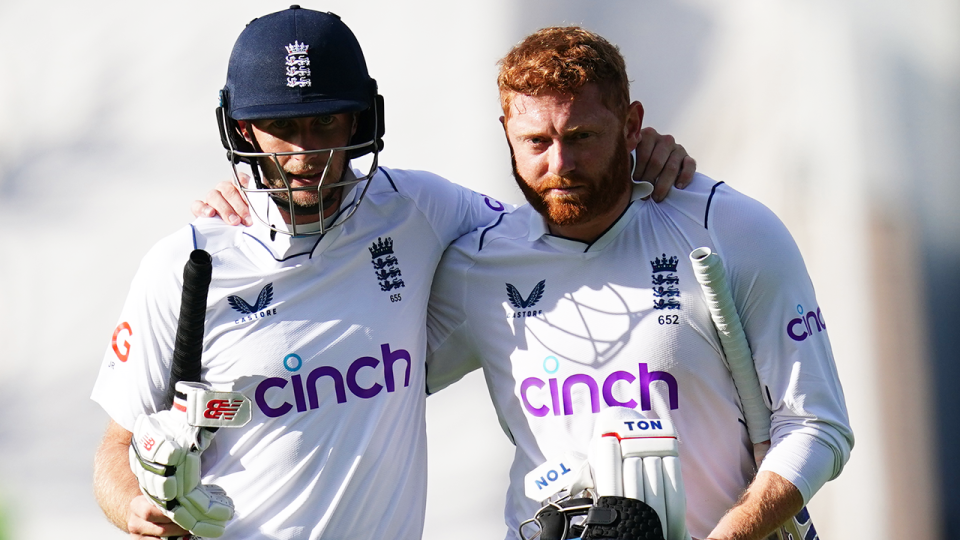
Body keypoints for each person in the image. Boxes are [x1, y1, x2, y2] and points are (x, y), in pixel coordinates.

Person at [91, 7, 694, 540]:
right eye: (283, 128)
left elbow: (551, 231)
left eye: (325, 123)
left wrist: (633, 153)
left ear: (358, 121)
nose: (304, 155)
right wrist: (134, 506)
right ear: (243, 129)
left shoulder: (419, 210)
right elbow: (115, 449)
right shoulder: (186, 265)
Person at [424, 27, 854, 540]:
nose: (559, 164)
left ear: (632, 126)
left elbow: (817, 425)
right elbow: (375, 390)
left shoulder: (733, 229)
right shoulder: (477, 265)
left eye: (582, 136)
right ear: (506, 133)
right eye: (536, 141)